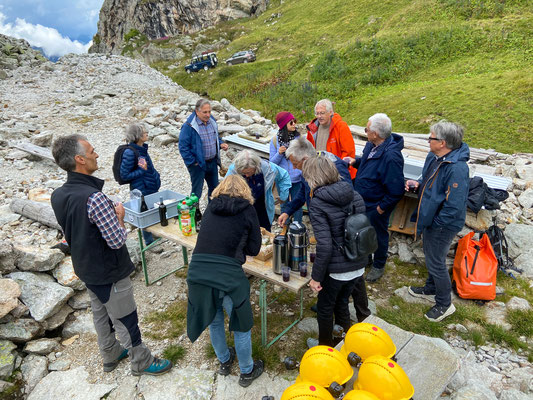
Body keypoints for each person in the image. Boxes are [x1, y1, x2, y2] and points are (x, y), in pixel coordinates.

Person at [50, 134, 172, 376]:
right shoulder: (94, 197)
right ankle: (142, 361)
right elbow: (116, 240)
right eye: (92, 151)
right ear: (79, 159)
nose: (96, 155)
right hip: (109, 270)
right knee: (125, 316)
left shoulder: (58, 195)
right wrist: (120, 217)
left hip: (86, 268)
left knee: (100, 313)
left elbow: (72, 231)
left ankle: (110, 353)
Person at [186, 174, 264, 387]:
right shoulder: (248, 209)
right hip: (227, 275)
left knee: (214, 319)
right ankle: (247, 370)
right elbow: (255, 249)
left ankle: (224, 360)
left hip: (198, 271)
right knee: (240, 325)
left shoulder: (211, 207)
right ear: (245, 191)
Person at [406, 121, 470, 322]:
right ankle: (431, 288)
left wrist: (436, 223)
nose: (428, 140)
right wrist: (418, 185)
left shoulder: (456, 168)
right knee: (432, 256)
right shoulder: (435, 158)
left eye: (431, 137)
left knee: (435, 261)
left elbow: (455, 205)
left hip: (443, 224)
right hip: (433, 219)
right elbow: (431, 184)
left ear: (442, 142)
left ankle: (444, 304)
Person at [302, 156, 368, 348]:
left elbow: (325, 246)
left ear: (313, 178)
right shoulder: (354, 194)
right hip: (358, 263)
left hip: (338, 269)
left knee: (324, 308)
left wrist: (316, 278)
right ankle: (344, 343)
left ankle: (325, 349)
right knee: (342, 304)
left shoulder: (318, 203)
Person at [345, 113, 405, 283]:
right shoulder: (372, 145)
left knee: (378, 235)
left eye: (367, 128)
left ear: (376, 133)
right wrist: (355, 162)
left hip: (376, 205)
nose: (365, 131)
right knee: (363, 231)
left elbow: (396, 189)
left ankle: (378, 265)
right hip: (363, 201)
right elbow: (367, 162)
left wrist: (381, 208)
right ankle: (366, 258)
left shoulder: (391, 157)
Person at [277, 137, 352, 227]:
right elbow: (303, 194)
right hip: (319, 221)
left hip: (337, 224)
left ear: (305, 160)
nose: (294, 167)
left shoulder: (336, 167)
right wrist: (287, 211)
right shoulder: (306, 169)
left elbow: (348, 195)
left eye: (295, 164)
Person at [227, 150, 291, 231]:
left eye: (248, 172)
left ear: (256, 167)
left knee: (264, 233)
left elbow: (284, 175)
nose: (246, 175)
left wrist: (283, 196)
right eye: (243, 173)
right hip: (241, 208)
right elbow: (224, 188)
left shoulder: (267, 168)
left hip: (262, 207)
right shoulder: (234, 169)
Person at [179, 98, 229, 201]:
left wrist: (220, 144)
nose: (208, 115)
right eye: (205, 112)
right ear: (197, 111)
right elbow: (183, 148)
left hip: (213, 162)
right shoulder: (189, 126)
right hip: (198, 165)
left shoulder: (212, 121)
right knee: (197, 192)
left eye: (209, 111)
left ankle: (212, 213)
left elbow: (215, 138)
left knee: (215, 189)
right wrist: (193, 163)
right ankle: (195, 213)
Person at [120, 123, 161, 245]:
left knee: (153, 210)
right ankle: (149, 242)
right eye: (144, 132)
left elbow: (148, 168)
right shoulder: (130, 153)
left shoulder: (142, 149)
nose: (147, 133)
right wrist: (141, 171)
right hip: (141, 189)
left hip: (149, 186)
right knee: (143, 214)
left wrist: (156, 176)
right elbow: (124, 175)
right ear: (137, 136)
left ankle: (155, 235)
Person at [306, 99, 356, 179]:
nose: (319, 116)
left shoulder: (340, 126)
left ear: (330, 112)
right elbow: (308, 151)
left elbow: (348, 153)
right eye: (317, 113)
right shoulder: (312, 129)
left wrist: (338, 171)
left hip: (339, 174)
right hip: (320, 174)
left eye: (322, 113)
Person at [270, 111, 303, 223]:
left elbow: (304, 157)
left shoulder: (299, 139)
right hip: (282, 179)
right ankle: (285, 227)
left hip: (297, 178)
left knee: (297, 204)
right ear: (284, 125)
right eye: (291, 123)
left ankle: (297, 227)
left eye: (294, 121)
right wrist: (279, 153)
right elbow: (272, 163)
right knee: (284, 204)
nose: (294, 124)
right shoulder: (275, 141)